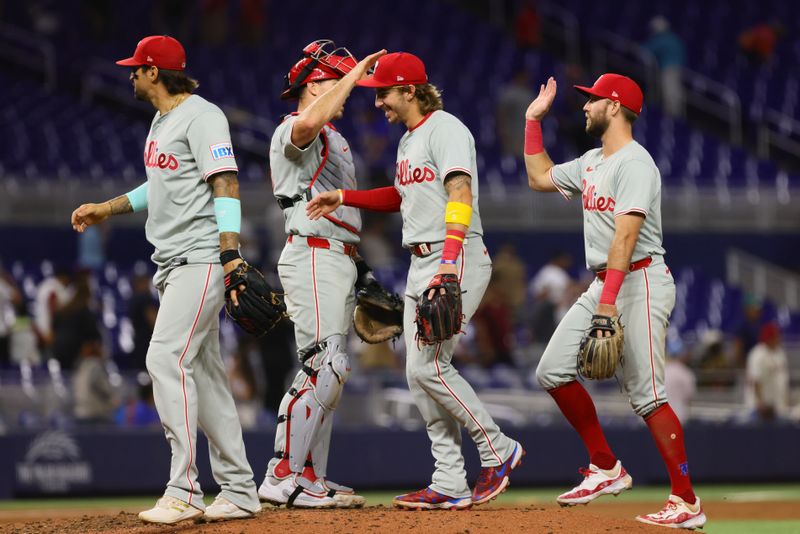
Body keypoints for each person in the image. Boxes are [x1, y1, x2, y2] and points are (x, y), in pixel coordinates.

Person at [307, 51, 524, 510]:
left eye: (384, 93)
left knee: (429, 367)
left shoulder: (447, 129)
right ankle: (449, 479)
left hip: (455, 253)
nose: (378, 103)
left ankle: (498, 449)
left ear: (410, 90)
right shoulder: (409, 141)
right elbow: (402, 196)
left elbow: (460, 193)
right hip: (421, 261)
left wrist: (447, 263)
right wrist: (347, 196)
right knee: (417, 371)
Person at [70, 35, 260, 524]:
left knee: (164, 356)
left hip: (200, 259)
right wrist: (106, 208)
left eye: (136, 68)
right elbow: (158, 186)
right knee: (206, 375)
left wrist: (230, 254)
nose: (130, 74)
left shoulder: (203, 116)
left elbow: (226, 182)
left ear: (155, 72)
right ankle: (239, 489)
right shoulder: (161, 121)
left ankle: (185, 489)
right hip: (173, 261)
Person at [522, 73, 706, 529]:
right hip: (605, 283)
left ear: (616, 105)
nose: (584, 106)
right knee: (552, 370)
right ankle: (605, 466)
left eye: (592, 99)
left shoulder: (636, 163)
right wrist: (532, 121)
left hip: (640, 281)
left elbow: (626, 238)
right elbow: (539, 177)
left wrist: (606, 305)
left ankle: (686, 502)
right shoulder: (590, 162)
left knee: (648, 397)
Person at [256, 40, 385, 509]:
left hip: (338, 257)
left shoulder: (339, 138)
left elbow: (344, 213)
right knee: (324, 364)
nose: (351, 91)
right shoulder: (294, 126)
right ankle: (280, 473)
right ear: (314, 82)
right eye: (340, 79)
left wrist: (361, 265)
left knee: (334, 369)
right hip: (311, 253)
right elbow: (308, 123)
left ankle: (310, 475)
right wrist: (351, 77)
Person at [745, 322, 789, 422]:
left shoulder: (780, 354)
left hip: (778, 407)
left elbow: (783, 380)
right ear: (769, 338)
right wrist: (761, 405)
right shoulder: (758, 355)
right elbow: (756, 381)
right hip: (760, 411)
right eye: (776, 336)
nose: (779, 339)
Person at [643, 16, 686, 118]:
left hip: (668, 69)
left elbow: (646, 49)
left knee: (670, 91)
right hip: (677, 69)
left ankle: (672, 115)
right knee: (675, 90)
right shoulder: (674, 38)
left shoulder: (663, 38)